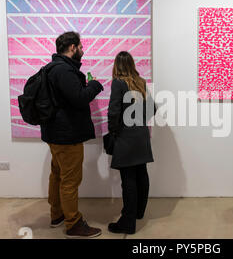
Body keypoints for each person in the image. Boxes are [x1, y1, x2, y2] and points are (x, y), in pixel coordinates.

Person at [41, 31, 103, 238]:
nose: (83, 51)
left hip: (55, 133)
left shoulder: (53, 68)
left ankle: (57, 214)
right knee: (70, 180)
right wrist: (93, 86)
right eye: (81, 47)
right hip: (67, 135)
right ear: (72, 48)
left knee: (58, 175)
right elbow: (78, 98)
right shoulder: (64, 71)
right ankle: (73, 223)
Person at [107, 51, 155, 234]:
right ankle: (138, 212)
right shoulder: (140, 81)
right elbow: (153, 109)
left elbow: (113, 111)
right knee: (141, 173)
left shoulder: (118, 83)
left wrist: (114, 131)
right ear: (132, 64)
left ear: (116, 65)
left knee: (128, 178)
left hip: (126, 137)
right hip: (141, 135)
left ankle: (127, 222)